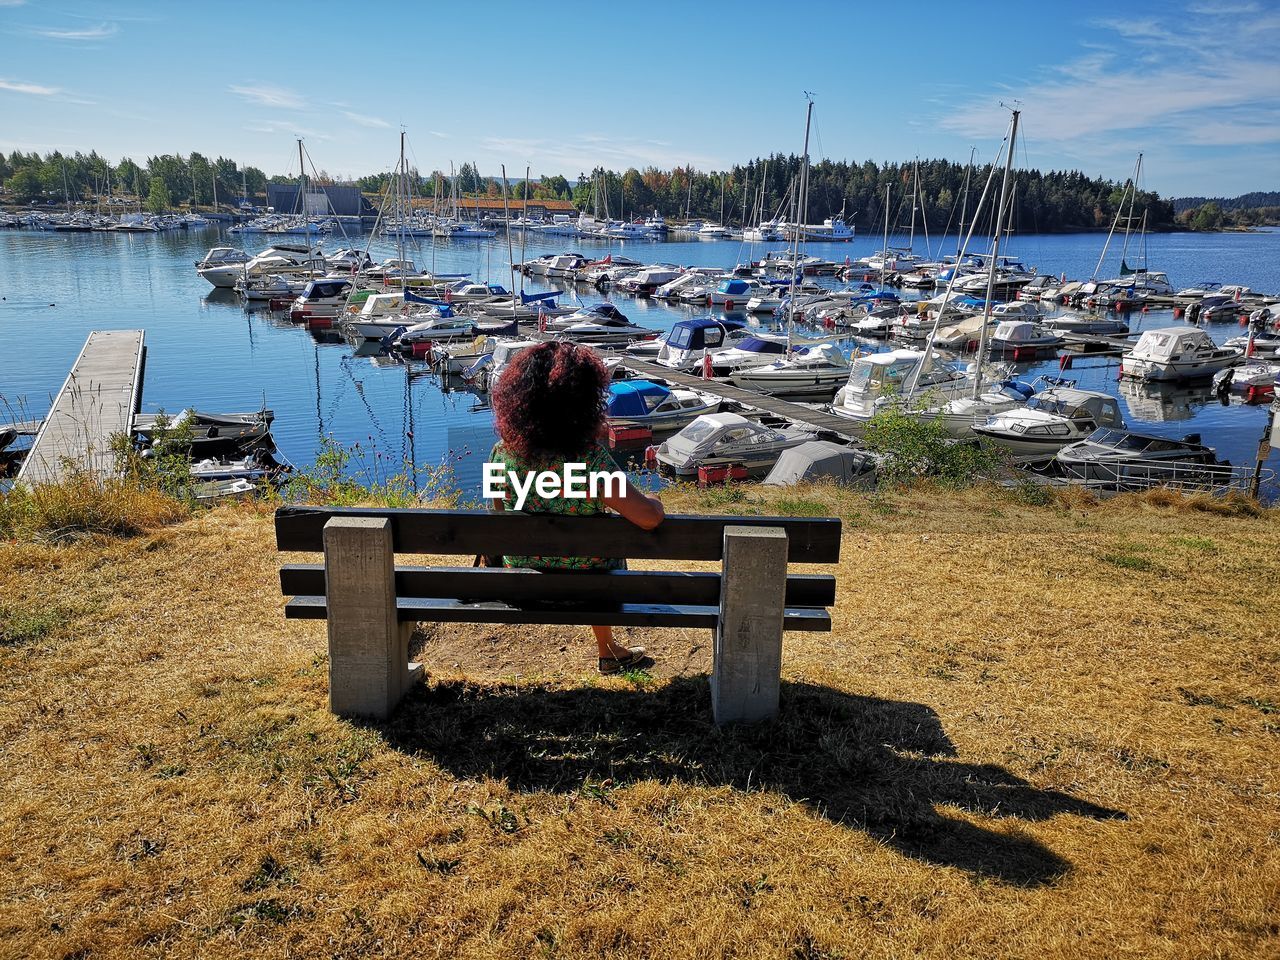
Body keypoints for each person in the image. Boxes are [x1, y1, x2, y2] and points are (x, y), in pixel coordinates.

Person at [489, 340, 664, 673]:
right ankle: (607, 649)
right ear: (584, 404)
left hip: (524, 583)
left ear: (519, 401)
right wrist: (655, 502)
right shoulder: (591, 463)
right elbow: (648, 519)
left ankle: (610, 650)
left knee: (591, 557)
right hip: (591, 587)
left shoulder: (502, 453)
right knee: (599, 559)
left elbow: (500, 514)